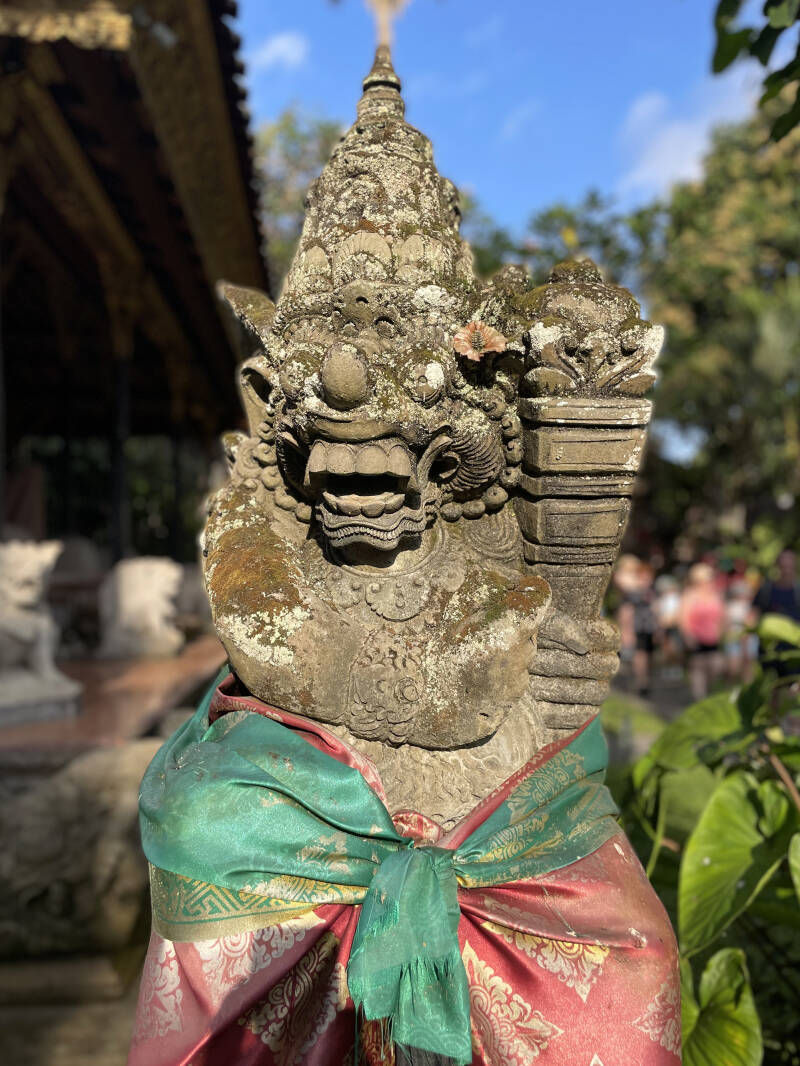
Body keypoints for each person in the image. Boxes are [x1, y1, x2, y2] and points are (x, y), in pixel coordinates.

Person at [679, 562, 725, 700]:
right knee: (698, 666)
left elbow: (722, 615)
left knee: (716, 666)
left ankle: (707, 691)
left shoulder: (716, 595)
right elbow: (683, 617)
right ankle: (699, 697)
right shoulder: (690, 595)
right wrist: (688, 636)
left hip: (713, 637)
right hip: (696, 637)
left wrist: (722, 631)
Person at [752, 549, 800, 676]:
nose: (786, 570)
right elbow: (754, 614)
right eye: (783, 566)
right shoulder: (766, 590)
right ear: (777, 566)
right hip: (769, 650)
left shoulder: (798, 590)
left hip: (794, 650)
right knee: (771, 683)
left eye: (789, 566)